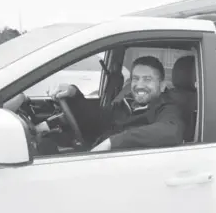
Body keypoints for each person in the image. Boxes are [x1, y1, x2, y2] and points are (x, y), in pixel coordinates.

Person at [37, 56, 186, 152]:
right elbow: (98, 118)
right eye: (135, 78)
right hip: (99, 157)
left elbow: (171, 131)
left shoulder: (168, 108)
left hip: (126, 170)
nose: (139, 85)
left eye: (147, 79)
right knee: (44, 145)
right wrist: (74, 94)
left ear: (162, 86)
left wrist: (113, 142)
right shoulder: (127, 103)